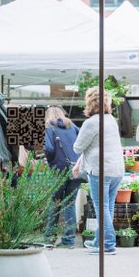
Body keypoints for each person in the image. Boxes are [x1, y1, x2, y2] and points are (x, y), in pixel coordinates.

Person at [74, 87, 125, 255]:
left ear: (89, 103)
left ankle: (108, 244)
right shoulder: (111, 120)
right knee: (107, 207)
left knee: (101, 207)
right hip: (116, 169)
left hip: (99, 170)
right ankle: (98, 241)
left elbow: (78, 147)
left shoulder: (91, 122)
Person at [43, 105, 80, 248]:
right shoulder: (73, 126)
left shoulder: (48, 127)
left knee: (55, 203)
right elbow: (83, 144)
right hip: (75, 170)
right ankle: (69, 241)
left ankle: (49, 239)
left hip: (58, 171)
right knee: (70, 204)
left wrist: (51, 160)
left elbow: (49, 148)